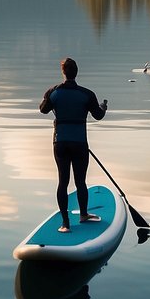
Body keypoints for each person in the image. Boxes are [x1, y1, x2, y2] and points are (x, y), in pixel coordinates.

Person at [39, 57, 107, 233]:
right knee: (80, 181)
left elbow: (43, 109)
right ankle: (83, 215)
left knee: (63, 181)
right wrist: (104, 107)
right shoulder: (87, 94)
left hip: (60, 143)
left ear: (63, 72)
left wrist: (47, 96)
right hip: (79, 143)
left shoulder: (53, 92)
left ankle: (65, 224)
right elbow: (98, 115)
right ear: (76, 73)